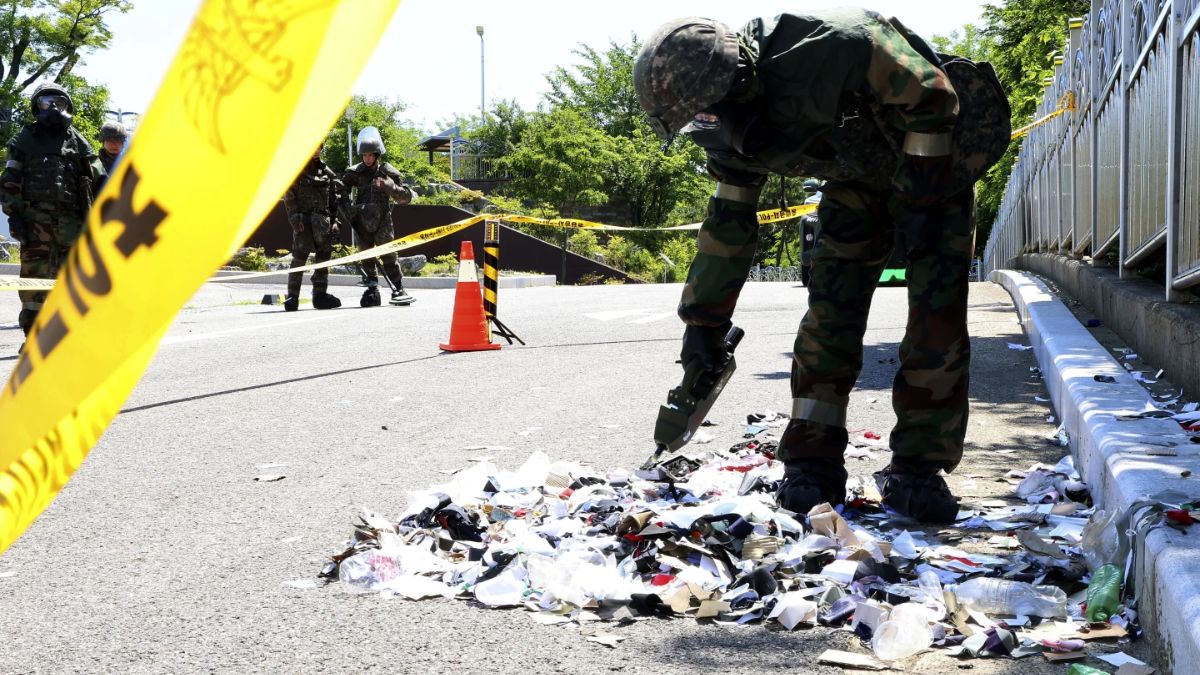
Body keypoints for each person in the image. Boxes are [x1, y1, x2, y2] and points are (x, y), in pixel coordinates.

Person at [634, 9, 1009, 522]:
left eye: (709, 112)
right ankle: (812, 462)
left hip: (934, 160)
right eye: (698, 120)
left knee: (936, 316)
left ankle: (917, 469)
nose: (708, 127)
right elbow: (728, 226)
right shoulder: (722, 127)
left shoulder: (834, 46)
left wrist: (922, 198)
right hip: (854, 179)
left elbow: (935, 95)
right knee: (829, 313)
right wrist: (703, 325)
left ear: (737, 84)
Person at [1, 83, 107, 337]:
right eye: (46, 103)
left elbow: (99, 179)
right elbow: (10, 181)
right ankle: (33, 337)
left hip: (72, 226)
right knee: (33, 285)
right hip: (35, 225)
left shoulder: (76, 141)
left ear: (67, 106)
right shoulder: (25, 139)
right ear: (37, 107)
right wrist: (13, 215)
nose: (53, 109)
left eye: (58, 103)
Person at [341, 126, 415, 307]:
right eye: (364, 155)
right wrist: (350, 212)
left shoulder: (387, 172)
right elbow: (339, 194)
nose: (367, 158)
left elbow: (406, 197)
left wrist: (391, 187)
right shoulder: (354, 173)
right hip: (361, 221)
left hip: (383, 221)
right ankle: (372, 290)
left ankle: (398, 289)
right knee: (366, 256)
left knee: (388, 256)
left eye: (370, 155)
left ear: (376, 154)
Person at [281, 141, 343, 311]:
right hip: (304, 222)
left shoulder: (327, 172)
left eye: (318, 147)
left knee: (323, 259)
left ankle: (320, 296)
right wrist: (294, 217)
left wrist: (335, 222)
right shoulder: (297, 169)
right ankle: (292, 297)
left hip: (323, 223)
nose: (315, 150)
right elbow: (289, 195)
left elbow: (333, 201)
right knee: (299, 259)